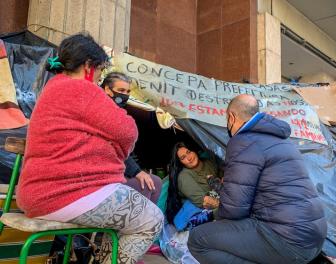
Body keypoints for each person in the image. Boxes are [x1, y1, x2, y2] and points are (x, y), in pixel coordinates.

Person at [16, 33, 163, 264]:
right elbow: (128, 131)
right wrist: (116, 147)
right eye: (98, 70)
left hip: (38, 193)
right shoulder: (81, 89)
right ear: (87, 65)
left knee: (131, 211)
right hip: (63, 194)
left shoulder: (53, 88)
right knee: (152, 219)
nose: (97, 78)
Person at [188, 94, 327, 264]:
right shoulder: (283, 141)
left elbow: (234, 209)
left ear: (231, 117)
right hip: (315, 236)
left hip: (288, 238)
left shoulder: (243, 141)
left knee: (198, 239)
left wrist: (218, 214)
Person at [100, 72, 162, 204]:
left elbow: (126, 150)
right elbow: (113, 145)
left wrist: (137, 170)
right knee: (147, 184)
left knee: (153, 182)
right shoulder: (101, 110)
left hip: (117, 169)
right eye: (121, 90)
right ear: (107, 89)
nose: (125, 95)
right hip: (102, 172)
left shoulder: (120, 113)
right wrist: (137, 172)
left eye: (128, 91)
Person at [166, 142, 221, 225]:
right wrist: (230, 205)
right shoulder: (184, 176)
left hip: (222, 201)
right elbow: (206, 202)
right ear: (180, 163)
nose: (189, 158)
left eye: (189, 152)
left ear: (194, 150)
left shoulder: (208, 162)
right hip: (203, 213)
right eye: (183, 157)